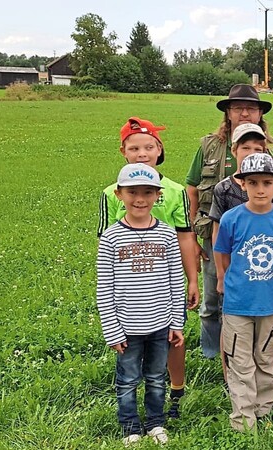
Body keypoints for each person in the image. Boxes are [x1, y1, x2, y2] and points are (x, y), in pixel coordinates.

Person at [97, 117, 198, 418]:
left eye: (149, 147)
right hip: (130, 286)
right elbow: (107, 246)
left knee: (171, 337)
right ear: (123, 152)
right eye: (134, 148)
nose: (142, 153)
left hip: (163, 283)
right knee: (132, 356)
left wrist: (192, 279)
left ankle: (175, 392)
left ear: (159, 149)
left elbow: (185, 235)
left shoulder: (175, 190)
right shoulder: (109, 192)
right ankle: (131, 411)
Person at [186, 84, 273, 363]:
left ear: (259, 113)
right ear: (228, 112)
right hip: (216, 235)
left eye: (251, 108)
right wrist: (193, 235)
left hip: (258, 240)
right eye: (237, 107)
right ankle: (212, 354)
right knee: (212, 299)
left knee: (252, 298)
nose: (244, 112)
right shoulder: (209, 145)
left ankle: (251, 353)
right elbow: (193, 188)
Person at [96, 163, 186, 445]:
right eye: (132, 192)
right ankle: (130, 427)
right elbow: (104, 287)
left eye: (147, 192)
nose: (139, 199)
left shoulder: (167, 233)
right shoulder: (111, 236)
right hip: (127, 327)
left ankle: (156, 423)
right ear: (119, 194)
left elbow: (176, 281)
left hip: (160, 325)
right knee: (128, 380)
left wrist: (176, 322)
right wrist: (112, 330)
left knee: (157, 378)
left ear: (158, 195)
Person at [213, 153, 273, 431]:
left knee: (264, 357)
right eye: (252, 183)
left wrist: (270, 283)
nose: (260, 189)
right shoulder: (231, 219)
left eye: (266, 182)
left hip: (271, 304)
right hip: (238, 303)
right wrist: (232, 283)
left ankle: (264, 409)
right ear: (242, 185)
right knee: (240, 361)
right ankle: (243, 419)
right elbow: (224, 256)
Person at [209, 123, 273, 383]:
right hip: (233, 267)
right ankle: (231, 377)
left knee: (261, 336)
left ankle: (259, 385)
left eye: (258, 147)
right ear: (234, 150)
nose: (260, 188)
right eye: (245, 147)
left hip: (264, 274)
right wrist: (221, 274)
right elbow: (218, 234)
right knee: (230, 321)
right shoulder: (224, 190)